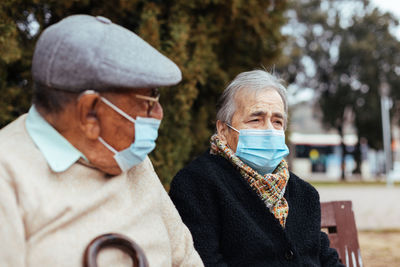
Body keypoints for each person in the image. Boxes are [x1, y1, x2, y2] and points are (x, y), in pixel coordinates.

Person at [0, 14, 203, 267]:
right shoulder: (7, 176)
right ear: (90, 111)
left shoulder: (131, 159)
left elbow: (185, 258)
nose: (159, 114)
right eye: (148, 102)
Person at [169, 70, 344, 266]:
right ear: (223, 130)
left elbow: (323, 257)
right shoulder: (196, 184)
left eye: (277, 121)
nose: (269, 130)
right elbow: (204, 261)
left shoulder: (304, 194)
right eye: (255, 119)